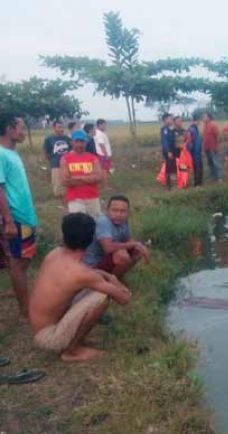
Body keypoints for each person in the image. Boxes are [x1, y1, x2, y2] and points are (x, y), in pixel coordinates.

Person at [29, 213, 131, 363]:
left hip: (38, 328)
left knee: (95, 287)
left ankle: (71, 341)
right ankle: (72, 351)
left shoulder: (54, 254)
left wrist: (104, 275)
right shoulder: (81, 273)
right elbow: (124, 298)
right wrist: (114, 279)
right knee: (100, 297)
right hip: (49, 338)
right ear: (91, 240)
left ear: (64, 236)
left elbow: (81, 275)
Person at [0, 113, 38, 320]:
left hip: (25, 216)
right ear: (9, 129)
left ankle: (24, 303)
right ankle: (25, 312)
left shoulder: (11, 153)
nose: (24, 132)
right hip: (16, 219)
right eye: (21, 128)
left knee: (23, 259)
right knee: (18, 263)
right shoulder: (1, 154)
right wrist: (8, 221)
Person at [83, 195, 149, 278]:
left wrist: (139, 247)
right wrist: (135, 244)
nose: (118, 214)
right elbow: (108, 248)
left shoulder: (124, 222)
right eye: (114, 210)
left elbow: (128, 240)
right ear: (107, 210)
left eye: (123, 211)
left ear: (128, 213)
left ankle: (115, 278)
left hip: (106, 260)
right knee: (121, 255)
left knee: (137, 250)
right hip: (93, 265)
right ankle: (109, 281)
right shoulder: (103, 222)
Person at [60, 130, 103, 219]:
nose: (79, 145)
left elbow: (98, 177)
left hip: (93, 198)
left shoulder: (93, 158)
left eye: (82, 142)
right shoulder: (65, 159)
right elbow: (65, 181)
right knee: (78, 226)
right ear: (72, 142)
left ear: (86, 142)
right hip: (75, 199)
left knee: (94, 224)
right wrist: (89, 179)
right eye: (77, 141)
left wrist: (76, 178)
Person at [43, 120, 71, 198]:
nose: (61, 129)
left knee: (67, 183)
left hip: (67, 164)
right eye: (59, 127)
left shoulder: (67, 138)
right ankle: (59, 199)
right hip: (55, 164)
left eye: (62, 127)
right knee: (57, 184)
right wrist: (51, 160)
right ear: (54, 128)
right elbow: (46, 152)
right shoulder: (49, 139)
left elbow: (71, 150)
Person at [202, 112, 222, 183]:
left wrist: (217, 146)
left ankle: (219, 178)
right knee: (210, 164)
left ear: (209, 118)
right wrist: (203, 149)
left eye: (204, 117)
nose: (203, 118)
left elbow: (218, 136)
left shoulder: (213, 125)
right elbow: (204, 138)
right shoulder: (205, 126)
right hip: (207, 148)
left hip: (213, 148)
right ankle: (214, 177)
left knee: (216, 163)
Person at [160, 113, 177, 190]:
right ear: (165, 120)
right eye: (170, 119)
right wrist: (168, 152)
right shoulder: (165, 130)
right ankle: (170, 186)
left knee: (173, 167)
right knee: (170, 168)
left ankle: (172, 184)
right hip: (169, 152)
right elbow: (165, 142)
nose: (171, 120)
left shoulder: (170, 129)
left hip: (172, 151)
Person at [185, 115, 203, 187]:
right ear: (195, 121)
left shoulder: (194, 129)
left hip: (197, 152)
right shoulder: (192, 130)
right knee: (197, 168)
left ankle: (198, 183)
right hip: (195, 153)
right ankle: (197, 184)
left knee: (198, 168)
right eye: (198, 121)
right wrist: (190, 153)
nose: (199, 122)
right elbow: (189, 143)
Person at [95, 119, 112, 188]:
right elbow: (101, 144)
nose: (105, 127)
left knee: (106, 170)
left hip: (104, 154)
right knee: (104, 170)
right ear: (99, 125)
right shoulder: (98, 133)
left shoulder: (101, 133)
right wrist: (106, 154)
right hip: (103, 155)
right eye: (104, 125)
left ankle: (103, 184)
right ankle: (105, 186)